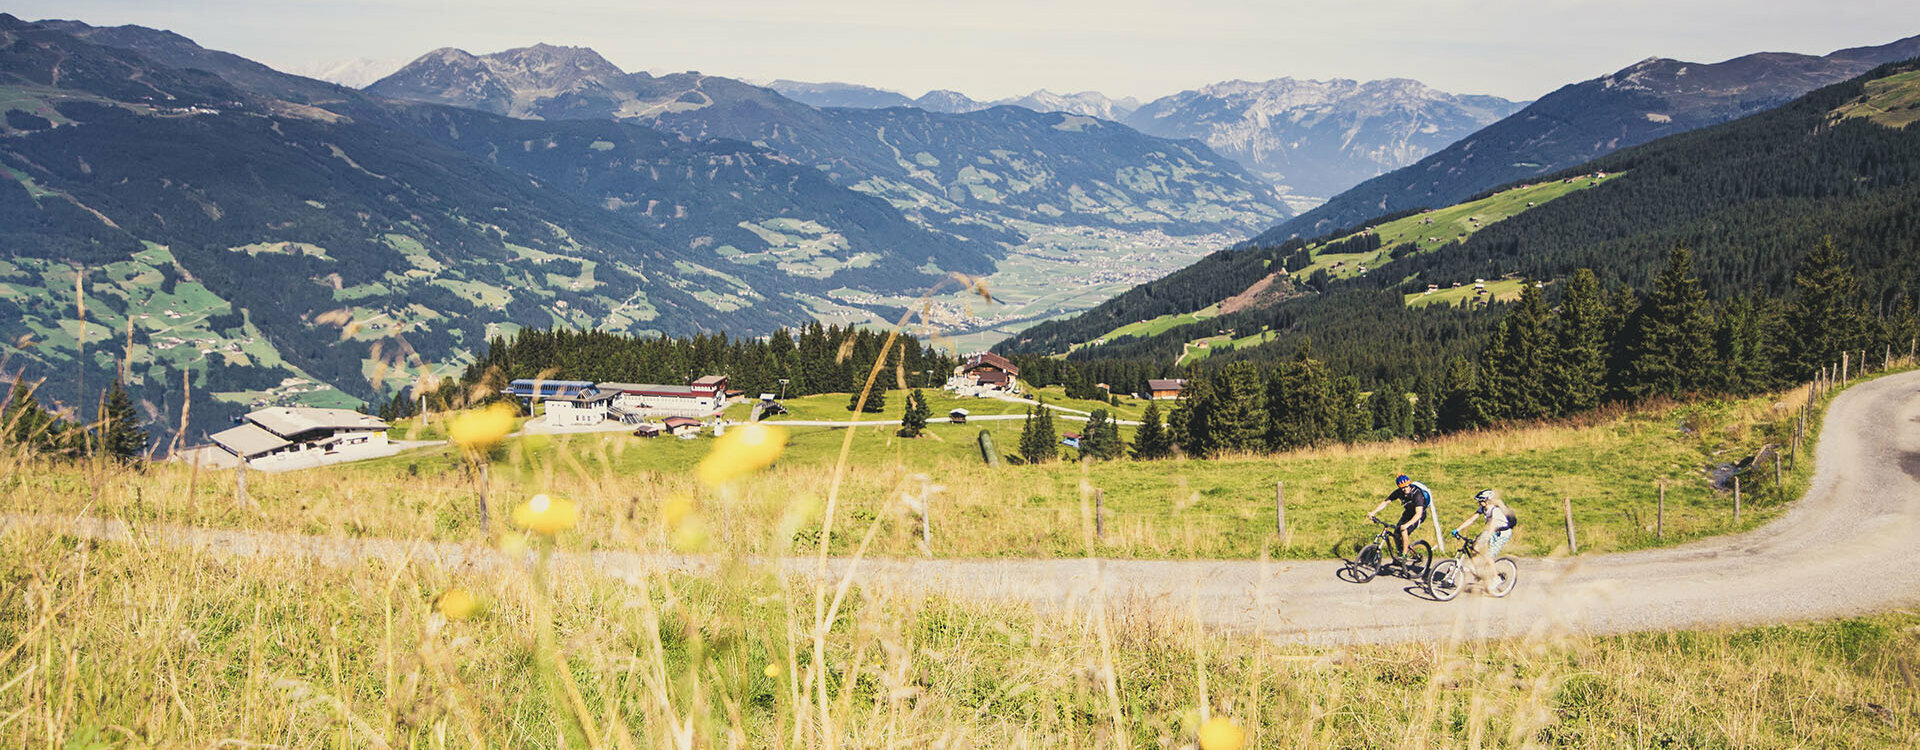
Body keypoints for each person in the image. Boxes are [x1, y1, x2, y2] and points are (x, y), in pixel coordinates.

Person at [1452, 489, 1518, 586]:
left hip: (1502, 534)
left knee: (1487, 555)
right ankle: (1477, 570)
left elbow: (1492, 525)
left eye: (1481, 500)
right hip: (1491, 531)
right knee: (1474, 548)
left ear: (1488, 500)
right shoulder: (1483, 508)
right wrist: (1458, 529)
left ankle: (1497, 578)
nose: (1479, 502)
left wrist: (1486, 537)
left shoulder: (1496, 510)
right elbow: (1471, 519)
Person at [1367, 474, 1430, 567]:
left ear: (1409, 484)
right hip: (1408, 513)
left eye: (1406, 487)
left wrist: (1407, 525)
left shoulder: (1417, 494)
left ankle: (1404, 555)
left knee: (1403, 530)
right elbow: (1386, 502)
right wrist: (1373, 512)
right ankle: (1401, 553)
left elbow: (1418, 514)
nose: (1405, 489)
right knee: (1396, 533)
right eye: (1402, 488)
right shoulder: (1399, 492)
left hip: (1419, 515)